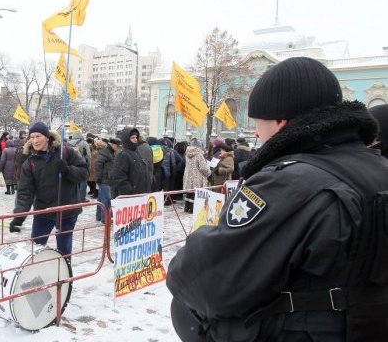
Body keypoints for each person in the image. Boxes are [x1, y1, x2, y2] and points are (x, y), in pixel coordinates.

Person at [166, 57, 388, 342]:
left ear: (281, 121)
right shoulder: (378, 168)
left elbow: (207, 279)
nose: (257, 133)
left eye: (259, 122)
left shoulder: (289, 182)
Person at [8, 122, 89, 261]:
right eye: (32, 137)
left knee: (64, 250)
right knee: (36, 249)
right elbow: (24, 192)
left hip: (67, 211)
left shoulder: (66, 152)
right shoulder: (30, 162)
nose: (35, 140)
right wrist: (19, 217)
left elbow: (84, 172)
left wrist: (67, 170)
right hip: (43, 212)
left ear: (46, 137)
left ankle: (65, 280)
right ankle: (36, 277)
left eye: (38, 136)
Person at [111, 127, 152, 198]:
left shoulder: (136, 152)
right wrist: (129, 191)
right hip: (130, 197)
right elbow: (118, 177)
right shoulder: (123, 155)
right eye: (133, 138)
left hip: (139, 194)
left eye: (136, 137)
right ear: (127, 139)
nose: (135, 139)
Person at [182, 138, 210, 213]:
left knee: (189, 193)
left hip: (188, 176)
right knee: (194, 194)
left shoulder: (187, 153)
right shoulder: (199, 155)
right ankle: (192, 209)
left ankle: (186, 207)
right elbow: (203, 168)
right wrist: (208, 173)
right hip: (197, 177)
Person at [94, 138, 118, 223]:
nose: (117, 148)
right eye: (117, 146)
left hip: (107, 178)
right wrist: (98, 178)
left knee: (101, 199)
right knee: (106, 199)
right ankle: (105, 218)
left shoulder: (111, 152)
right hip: (105, 179)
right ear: (112, 144)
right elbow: (98, 165)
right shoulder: (105, 152)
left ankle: (99, 216)